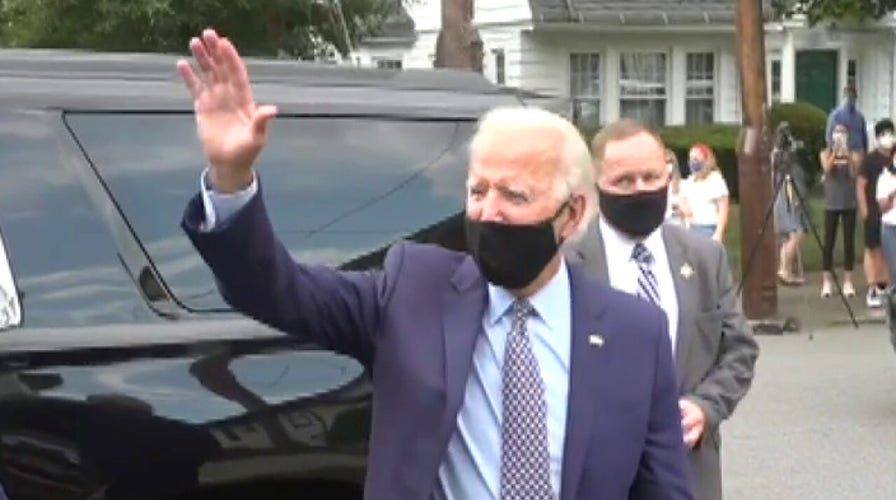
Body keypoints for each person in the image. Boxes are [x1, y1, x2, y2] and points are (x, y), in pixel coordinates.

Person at [176, 29, 693, 500]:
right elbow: (272, 289)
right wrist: (230, 177)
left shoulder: (635, 334)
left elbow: (664, 489)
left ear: (571, 213)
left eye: (514, 195)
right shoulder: (411, 290)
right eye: (477, 190)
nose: (489, 211)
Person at [565, 118, 759, 500]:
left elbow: (739, 349)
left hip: (687, 467)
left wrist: (705, 406)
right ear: (595, 185)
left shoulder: (705, 258)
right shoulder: (566, 265)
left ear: (669, 175)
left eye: (651, 177)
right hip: (594, 473)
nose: (640, 189)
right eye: (624, 181)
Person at [819, 122, 859, 298]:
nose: (840, 135)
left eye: (843, 133)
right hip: (831, 203)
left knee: (848, 242)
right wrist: (835, 152)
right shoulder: (825, 153)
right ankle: (827, 281)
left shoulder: (854, 153)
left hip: (849, 203)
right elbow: (827, 169)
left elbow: (854, 173)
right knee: (829, 242)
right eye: (837, 132)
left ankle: (848, 281)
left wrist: (848, 155)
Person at [857, 119, 894, 307]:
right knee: (873, 250)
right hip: (873, 210)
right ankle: (872, 287)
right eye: (884, 134)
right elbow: (861, 185)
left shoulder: (893, 159)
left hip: (891, 214)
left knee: (887, 251)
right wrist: (864, 209)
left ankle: (884, 286)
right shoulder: (870, 160)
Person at [771, 124, 808, 285]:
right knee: (797, 233)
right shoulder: (781, 156)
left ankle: (786, 269)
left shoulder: (776, 154)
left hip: (783, 194)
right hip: (788, 194)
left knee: (789, 236)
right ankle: (784, 269)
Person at [680, 143, 729, 243]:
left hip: (709, 229)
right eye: (691, 158)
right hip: (692, 228)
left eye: (696, 158)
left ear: (705, 159)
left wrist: (718, 233)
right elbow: (682, 199)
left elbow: (723, 209)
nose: (692, 161)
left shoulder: (715, 179)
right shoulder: (690, 181)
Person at [825, 85, 868, 165]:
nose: (850, 100)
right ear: (843, 97)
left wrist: (864, 153)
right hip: (842, 154)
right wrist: (832, 153)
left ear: (856, 98)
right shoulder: (835, 116)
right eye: (848, 96)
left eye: (852, 97)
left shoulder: (860, 117)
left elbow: (864, 138)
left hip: (857, 153)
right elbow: (829, 136)